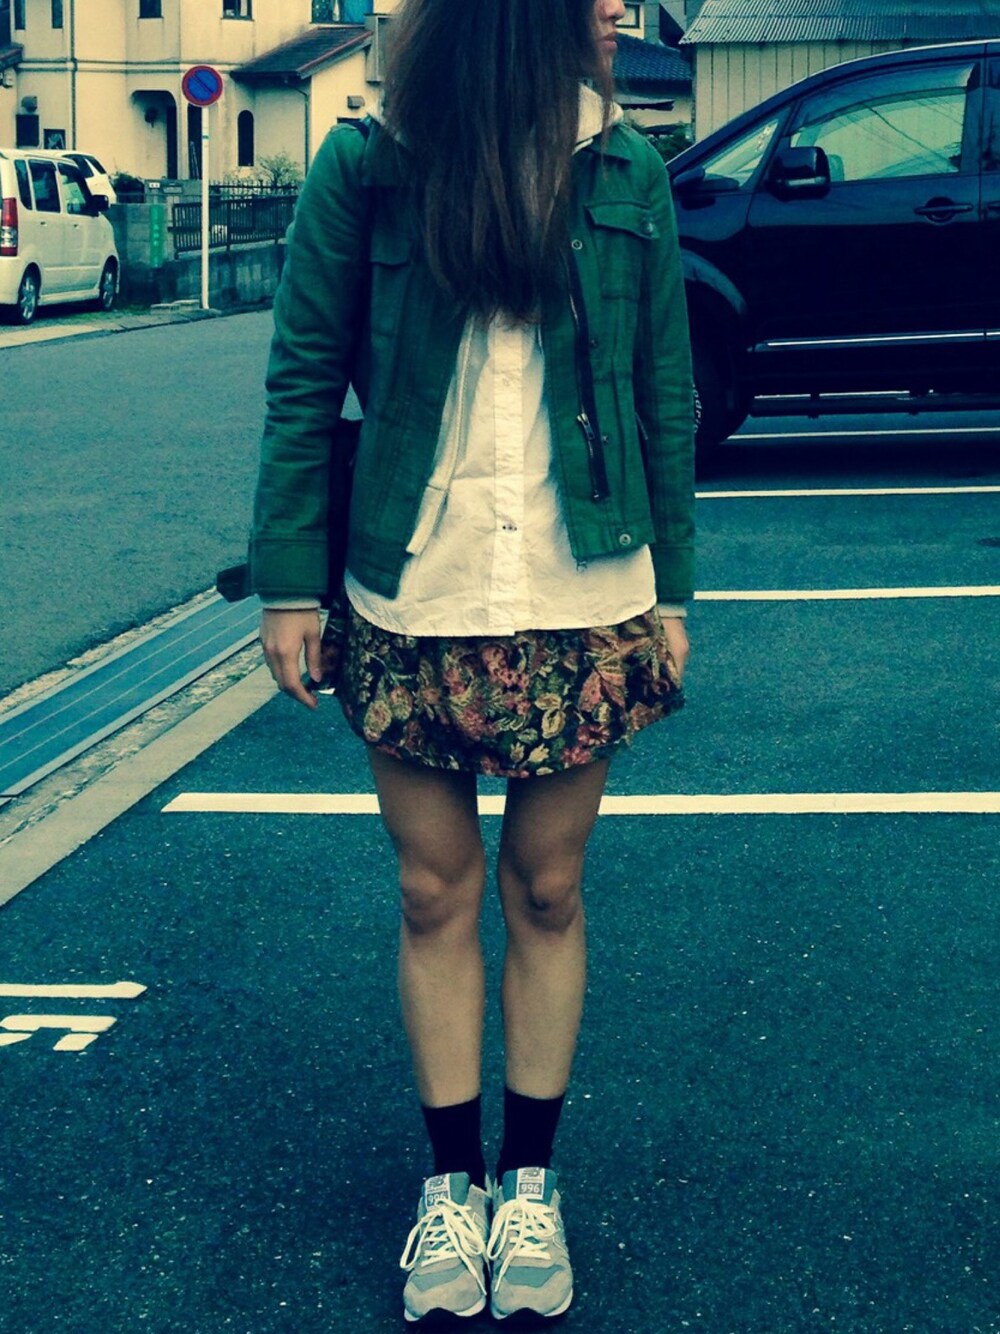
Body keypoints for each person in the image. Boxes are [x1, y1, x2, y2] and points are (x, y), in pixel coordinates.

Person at [250, 0, 695, 1321]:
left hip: (584, 585)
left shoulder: (628, 169)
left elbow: (662, 393)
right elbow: (302, 375)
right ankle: (453, 1187)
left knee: (547, 889)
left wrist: (675, 592)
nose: (619, 6)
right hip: (412, 584)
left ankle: (531, 1186)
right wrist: (289, 582)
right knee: (432, 890)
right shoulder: (371, 163)